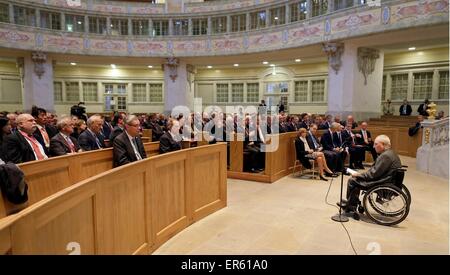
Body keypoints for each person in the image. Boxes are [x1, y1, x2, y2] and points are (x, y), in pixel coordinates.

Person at [339, 135, 402, 218]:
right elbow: (376, 171)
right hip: (387, 179)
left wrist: (359, 174)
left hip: (382, 181)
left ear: (383, 144)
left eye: (376, 144)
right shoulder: (390, 153)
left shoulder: (385, 156)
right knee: (357, 179)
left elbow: (373, 174)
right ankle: (351, 203)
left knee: (353, 181)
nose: (373, 146)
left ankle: (350, 206)